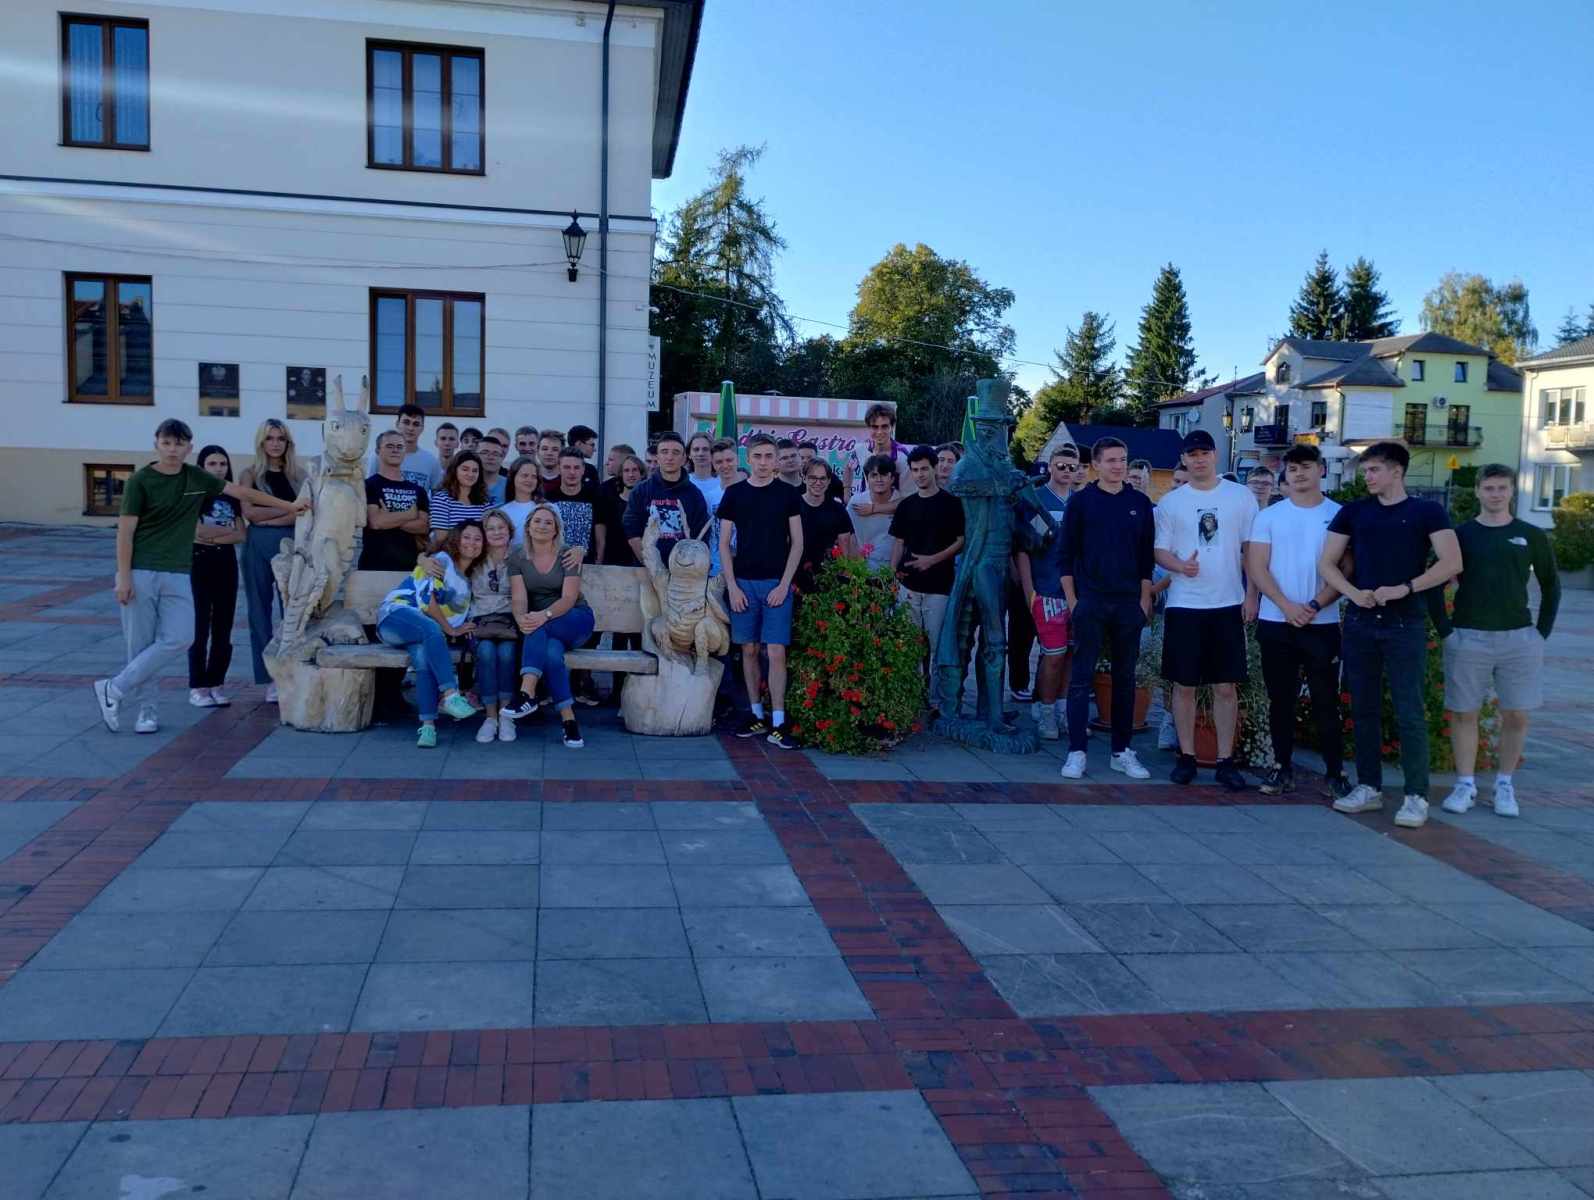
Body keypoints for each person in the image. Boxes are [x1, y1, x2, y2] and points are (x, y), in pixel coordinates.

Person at [95, 419, 308, 734]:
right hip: (142, 571)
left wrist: (289, 504)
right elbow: (125, 533)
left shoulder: (195, 477)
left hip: (179, 572)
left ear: (189, 447)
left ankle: (113, 687)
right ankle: (146, 712)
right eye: (167, 443)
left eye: (179, 444)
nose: (172, 449)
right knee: (140, 645)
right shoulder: (140, 481)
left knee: (182, 637)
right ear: (156, 444)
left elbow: (241, 492)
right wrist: (123, 577)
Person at [1319, 441, 1461, 828]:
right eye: (1365, 470)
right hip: (1361, 623)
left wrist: (1405, 588)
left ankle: (1416, 795)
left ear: (1396, 471)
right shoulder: (1354, 512)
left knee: (1409, 710)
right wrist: (1352, 594)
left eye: (1373, 470)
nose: (1366, 476)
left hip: (1404, 623)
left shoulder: (1427, 511)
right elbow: (1327, 563)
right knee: (1363, 708)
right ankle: (1369, 787)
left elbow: (1451, 562)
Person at [1437, 463, 1560, 819]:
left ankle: (1504, 784)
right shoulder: (1460, 535)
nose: (1495, 494)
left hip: (1519, 638)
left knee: (1517, 714)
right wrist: (1445, 630)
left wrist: (1540, 633)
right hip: (1468, 636)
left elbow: (1552, 585)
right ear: (1477, 491)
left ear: (1512, 491)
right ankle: (1465, 784)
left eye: (1502, 488)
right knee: (1464, 712)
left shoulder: (1530, 535)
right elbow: (1434, 580)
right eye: (1489, 488)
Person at [1154, 429, 1258, 791]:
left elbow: (1251, 550)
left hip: (1227, 602)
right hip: (1185, 604)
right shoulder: (1171, 503)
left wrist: (1252, 595)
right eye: (1192, 454)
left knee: (1225, 686)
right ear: (1184, 459)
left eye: (1204, 453)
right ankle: (1186, 756)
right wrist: (1180, 566)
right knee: (1184, 685)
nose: (1198, 460)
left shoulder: (1240, 496)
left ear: (1214, 455)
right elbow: (1160, 551)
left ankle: (1225, 760)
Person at [1245, 443, 1350, 799]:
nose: (1299, 473)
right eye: (1292, 469)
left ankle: (1335, 773)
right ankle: (1281, 768)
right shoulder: (1270, 516)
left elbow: (1346, 568)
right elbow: (1257, 566)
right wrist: (1285, 605)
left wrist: (1315, 604)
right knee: (1281, 699)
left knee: (1325, 700)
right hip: (1277, 621)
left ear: (1322, 470)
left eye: (1306, 466)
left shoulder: (1339, 514)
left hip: (1322, 623)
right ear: (1285, 475)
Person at [1056, 437, 1155, 778]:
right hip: (1091, 602)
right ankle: (1077, 752)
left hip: (1128, 603)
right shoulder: (1081, 502)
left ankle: (1121, 751)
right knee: (1081, 678)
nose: (1118, 466)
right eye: (1111, 460)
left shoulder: (1140, 503)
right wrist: (1074, 601)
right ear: (1096, 465)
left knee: (1125, 679)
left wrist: (1144, 599)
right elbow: (1065, 555)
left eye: (1122, 459)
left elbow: (1146, 557)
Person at [718, 433, 804, 747]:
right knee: (749, 650)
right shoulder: (734, 494)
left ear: (776, 459)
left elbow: (798, 543)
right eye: (758, 456)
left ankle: (779, 721)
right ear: (749, 458)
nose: (764, 462)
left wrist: (784, 584)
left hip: (776, 584)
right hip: (743, 584)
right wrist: (732, 586)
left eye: (769, 456)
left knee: (776, 651)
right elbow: (724, 544)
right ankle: (756, 715)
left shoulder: (788, 494)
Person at [374, 521, 483, 747]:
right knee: (432, 628)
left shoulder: (467, 583)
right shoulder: (442, 561)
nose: (472, 543)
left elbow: (454, 616)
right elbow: (427, 602)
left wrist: (460, 628)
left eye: (477, 539)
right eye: (467, 537)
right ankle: (450, 694)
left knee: (423, 660)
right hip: (396, 616)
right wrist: (451, 629)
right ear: (456, 540)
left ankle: (428, 727)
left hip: (423, 633)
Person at [503, 504, 594, 749]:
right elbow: (519, 598)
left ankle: (526, 693)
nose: (542, 526)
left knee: (538, 627)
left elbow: (569, 598)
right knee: (552, 654)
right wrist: (521, 619)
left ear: (556, 530)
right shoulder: (518, 557)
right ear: (528, 527)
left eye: (548, 522)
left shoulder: (568, 554)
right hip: (543, 625)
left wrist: (543, 616)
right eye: (537, 521)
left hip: (574, 619)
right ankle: (569, 722)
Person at [889, 446, 966, 716]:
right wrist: (892, 575)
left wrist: (932, 560)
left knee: (936, 646)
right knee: (910, 645)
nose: (920, 474)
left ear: (934, 469)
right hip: (908, 585)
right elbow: (898, 542)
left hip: (939, 586)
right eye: (915, 470)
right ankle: (911, 696)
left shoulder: (952, 504)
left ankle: (935, 700)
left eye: (924, 469)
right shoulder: (906, 505)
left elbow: (960, 541)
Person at [237, 418, 306, 701]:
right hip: (258, 545)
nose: (275, 444)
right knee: (259, 610)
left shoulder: (299, 476)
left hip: (292, 544)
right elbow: (250, 514)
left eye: (280, 438)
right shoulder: (249, 474)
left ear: (288, 443)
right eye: (270, 438)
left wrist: (271, 518)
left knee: (292, 612)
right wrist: (287, 513)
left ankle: (291, 671)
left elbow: (304, 513)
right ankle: (269, 678)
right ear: (261, 442)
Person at [1017, 446, 1079, 740]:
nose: (1066, 471)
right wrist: (1029, 590)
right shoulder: (1036, 499)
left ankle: (1064, 710)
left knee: (1071, 654)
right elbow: (1023, 549)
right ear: (1050, 467)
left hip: (1077, 593)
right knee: (1053, 655)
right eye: (1061, 465)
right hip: (1046, 588)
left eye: (1072, 466)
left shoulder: (1080, 502)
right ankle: (1046, 710)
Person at [547, 447, 607, 705]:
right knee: (556, 621)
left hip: (587, 568)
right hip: (555, 570)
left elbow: (600, 532)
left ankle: (583, 679)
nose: (571, 472)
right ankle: (551, 682)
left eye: (576, 467)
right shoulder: (549, 495)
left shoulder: (595, 494)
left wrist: (599, 561)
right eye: (567, 467)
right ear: (559, 468)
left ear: (583, 470)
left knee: (587, 623)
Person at [187, 445, 243, 708]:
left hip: (226, 563)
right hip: (199, 562)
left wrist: (213, 537)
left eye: (222, 464)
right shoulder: (193, 493)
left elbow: (241, 534)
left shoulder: (232, 495)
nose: (218, 468)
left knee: (223, 626)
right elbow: (195, 531)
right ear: (202, 466)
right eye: (212, 464)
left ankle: (216, 683)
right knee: (199, 627)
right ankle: (198, 686)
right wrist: (222, 534)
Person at [467, 510, 521, 744]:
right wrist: (424, 560)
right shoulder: (474, 555)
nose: (496, 532)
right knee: (487, 652)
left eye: (501, 527)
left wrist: (579, 550)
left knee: (507, 653)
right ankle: (490, 717)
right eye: (490, 528)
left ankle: (506, 715)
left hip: (509, 621)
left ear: (509, 530)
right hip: (479, 621)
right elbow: (440, 555)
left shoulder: (520, 556)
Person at [623, 431, 709, 567]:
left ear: (684, 459)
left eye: (675, 452)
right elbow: (632, 531)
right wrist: (651, 565)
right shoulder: (640, 491)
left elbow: (700, 538)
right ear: (657, 457)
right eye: (664, 452)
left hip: (682, 571)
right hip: (646, 569)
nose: (669, 457)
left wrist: (685, 568)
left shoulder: (694, 495)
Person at [795, 459, 853, 591]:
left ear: (829, 481)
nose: (818, 482)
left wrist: (845, 573)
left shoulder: (838, 509)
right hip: (795, 578)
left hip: (829, 578)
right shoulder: (793, 506)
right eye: (813, 478)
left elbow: (845, 544)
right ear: (804, 478)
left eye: (822, 478)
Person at [365, 403, 442, 490]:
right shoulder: (379, 457)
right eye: (406, 422)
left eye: (416, 424)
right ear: (397, 424)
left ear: (422, 428)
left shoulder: (431, 462)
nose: (410, 428)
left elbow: (438, 494)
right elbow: (368, 490)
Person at [848, 454, 900, 572]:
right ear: (867, 479)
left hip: (890, 571)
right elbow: (847, 535)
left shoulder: (902, 503)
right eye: (874, 475)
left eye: (884, 474)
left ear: (892, 479)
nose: (879, 480)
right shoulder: (856, 502)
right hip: (858, 569)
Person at [845, 403, 909, 497]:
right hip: (865, 504)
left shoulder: (903, 456)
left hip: (894, 505)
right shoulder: (860, 450)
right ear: (868, 427)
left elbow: (907, 494)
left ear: (892, 427)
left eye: (884, 426)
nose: (879, 432)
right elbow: (848, 468)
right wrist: (846, 493)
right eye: (875, 427)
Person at [600, 454, 644, 568]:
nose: (631, 474)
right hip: (613, 564)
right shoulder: (610, 503)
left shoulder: (648, 504)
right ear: (621, 474)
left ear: (641, 473)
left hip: (640, 565)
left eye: (635, 470)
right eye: (626, 470)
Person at [430, 449, 490, 532]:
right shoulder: (442, 499)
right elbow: (440, 536)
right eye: (465, 469)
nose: (470, 474)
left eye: (475, 471)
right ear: (455, 470)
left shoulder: (484, 502)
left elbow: (488, 533)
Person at [497, 456, 542, 545]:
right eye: (525, 475)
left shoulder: (547, 508)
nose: (529, 480)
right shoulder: (502, 512)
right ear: (513, 477)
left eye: (534, 476)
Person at [686, 431, 723, 516]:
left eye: (705, 449)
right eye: (696, 449)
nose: (700, 453)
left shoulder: (723, 482)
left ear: (713, 453)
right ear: (689, 454)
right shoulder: (683, 482)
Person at [566, 424, 601, 488]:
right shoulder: (559, 469)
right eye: (592, 445)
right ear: (579, 444)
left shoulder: (591, 470)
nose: (595, 449)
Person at [477, 432, 508, 504]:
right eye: (485, 452)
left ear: (502, 457)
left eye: (495, 454)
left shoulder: (511, 486)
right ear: (476, 455)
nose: (490, 457)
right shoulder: (467, 484)